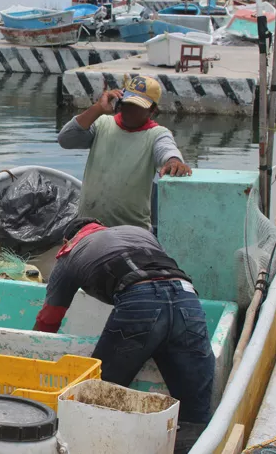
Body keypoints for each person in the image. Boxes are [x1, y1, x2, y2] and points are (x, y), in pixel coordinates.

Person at [33, 218, 214, 440]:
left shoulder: (71, 252)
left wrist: (36, 355)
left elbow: (49, 319)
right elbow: (161, 277)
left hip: (139, 301)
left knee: (97, 400)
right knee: (195, 414)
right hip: (187, 298)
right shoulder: (139, 233)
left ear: (67, 239)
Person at [57, 76, 192, 230]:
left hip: (131, 231)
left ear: (152, 110)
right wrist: (98, 109)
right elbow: (65, 140)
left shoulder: (156, 134)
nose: (129, 109)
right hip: (88, 227)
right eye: (127, 102)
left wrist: (173, 161)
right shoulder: (102, 123)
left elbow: (167, 149)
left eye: (137, 106)